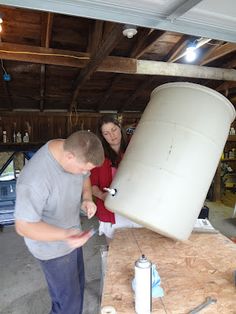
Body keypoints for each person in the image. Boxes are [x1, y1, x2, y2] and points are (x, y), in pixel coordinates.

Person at [14, 130, 104, 314]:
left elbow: (85, 178)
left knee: (71, 295)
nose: (85, 173)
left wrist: (87, 198)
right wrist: (65, 234)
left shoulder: (71, 148)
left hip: (72, 238)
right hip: (52, 249)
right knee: (69, 305)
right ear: (70, 157)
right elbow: (23, 226)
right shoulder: (35, 179)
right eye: (82, 168)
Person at [91, 115, 141, 240]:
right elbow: (91, 185)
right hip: (112, 213)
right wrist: (102, 196)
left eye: (114, 129)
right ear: (102, 136)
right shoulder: (98, 157)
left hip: (136, 209)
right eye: (107, 133)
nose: (112, 135)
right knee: (115, 251)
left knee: (141, 250)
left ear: (120, 127)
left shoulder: (135, 148)